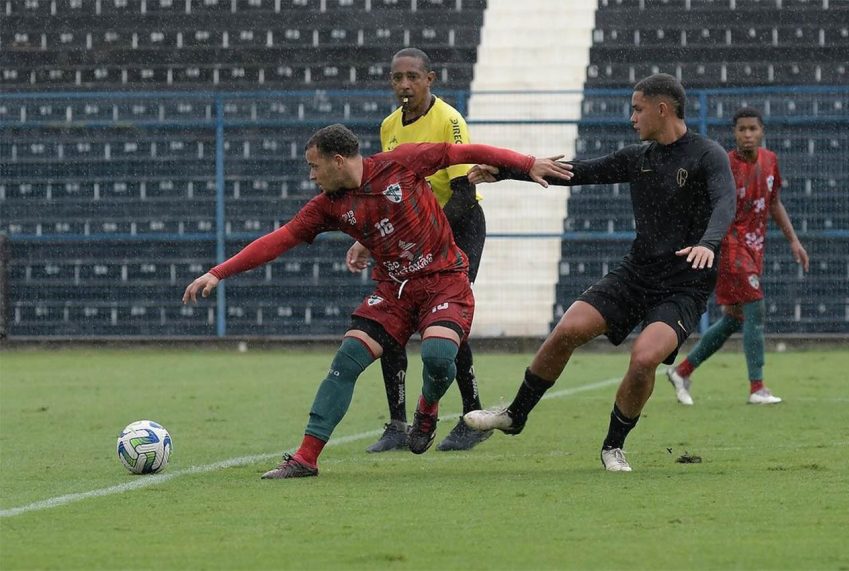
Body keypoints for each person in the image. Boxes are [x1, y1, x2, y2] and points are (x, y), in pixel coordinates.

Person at [182, 124, 571, 479]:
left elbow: (463, 152)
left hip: (443, 282)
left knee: (438, 357)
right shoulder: (328, 206)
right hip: (393, 292)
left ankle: (427, 409)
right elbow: (281, 239)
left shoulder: (401, 163)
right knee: (346, 360)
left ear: (338, 161)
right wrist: (219, 272)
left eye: (314, 167)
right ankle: (305, 458)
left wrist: (526, 163)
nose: (311, 176)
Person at [462, 73, 736, 472]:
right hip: (636, 274)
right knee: (568, 328)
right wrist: (507, 171)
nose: (632, 118)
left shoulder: (707, 154)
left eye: (637, 109)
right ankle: (515, 414)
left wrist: (708, 243)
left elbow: (725, 201)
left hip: (683, 286)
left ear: (663, 109)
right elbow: (577, 172)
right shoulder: (636, 157)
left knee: (644, 359)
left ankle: (613, 446)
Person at [346, 48, 493, 453]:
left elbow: (465, 192)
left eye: (413, 77)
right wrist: (366, 237)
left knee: (446, 317)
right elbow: (385, 192)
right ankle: (396, 423)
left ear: (431, 78)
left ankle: (473, 416)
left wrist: (430, 233)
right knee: (394, 315)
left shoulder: (449, 121)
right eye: (397, 78)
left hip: (459, 227)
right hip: (410, 235)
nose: (405, 85)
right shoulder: (389, 126)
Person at [666, 107, 809, 406]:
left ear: (762, 132)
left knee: (734, 319)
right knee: (756, 307)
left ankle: (683, 370)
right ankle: (757, 387)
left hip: (755, 246)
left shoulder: (771, 161)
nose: (747, 134)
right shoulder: (725, 164)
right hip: (729, 245)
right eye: (741, 129)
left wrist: (794, 241)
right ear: (734, 133)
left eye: (752, 129)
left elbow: (775, 204)